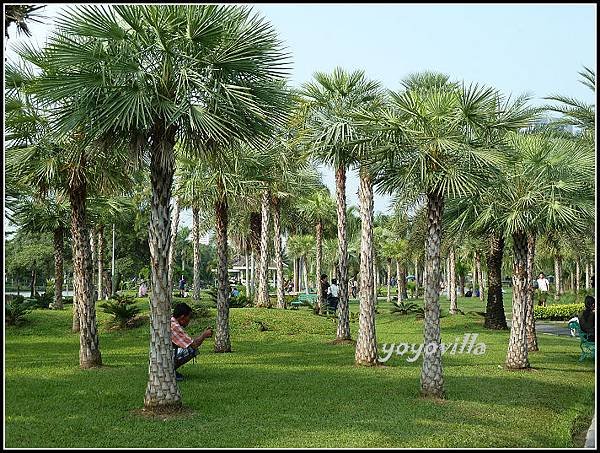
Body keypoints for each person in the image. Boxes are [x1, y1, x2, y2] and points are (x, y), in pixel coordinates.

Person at [171, 303, 213, 381]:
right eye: (189, 317)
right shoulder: (175, 326)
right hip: (166, 358)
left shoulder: (172, 322)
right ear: (182, 317)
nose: (189, 320)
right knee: (191, 350)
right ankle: (170, 372)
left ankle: (170, 370)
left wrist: (202, 334)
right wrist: (204, 335)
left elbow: (189, 341)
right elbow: (193, 345)